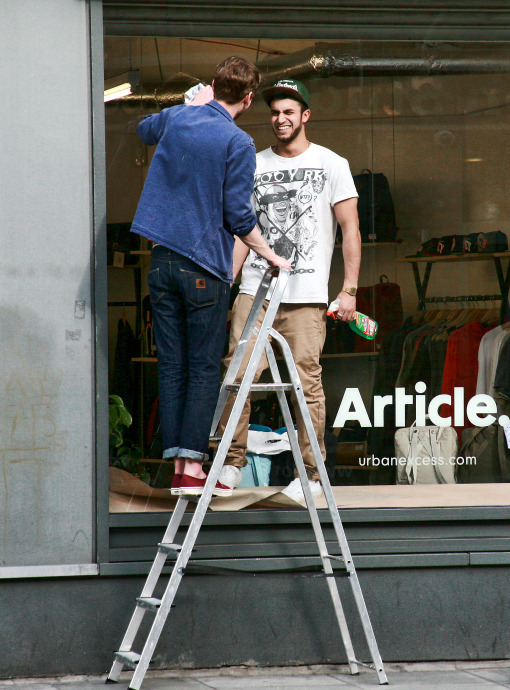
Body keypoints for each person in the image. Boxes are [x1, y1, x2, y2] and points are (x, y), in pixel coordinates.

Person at [130, 57, 291, 498]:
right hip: (202, 267)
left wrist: (191, 104)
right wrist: (268, 253)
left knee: (173, 365)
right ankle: (191, 467)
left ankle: (178, 467)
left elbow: (143, 129)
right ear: (249, 98)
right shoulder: (237, 141)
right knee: (202, 367)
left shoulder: (179, 118)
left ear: (213, 86)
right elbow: (238, 214)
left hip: (161, 261)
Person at [217, 78, 361, 505]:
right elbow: (242, 230)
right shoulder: (253, 163)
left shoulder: (332, 164)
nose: (280, 119)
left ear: (305, 116)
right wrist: (229, 281)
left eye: (288, 112)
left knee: (306, 383)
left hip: (306, 293)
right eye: (275, 112)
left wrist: (349, 290)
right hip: (256, 289)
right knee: (237, 376)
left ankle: (311, 475)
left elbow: (351, 229)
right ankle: (230, 463)